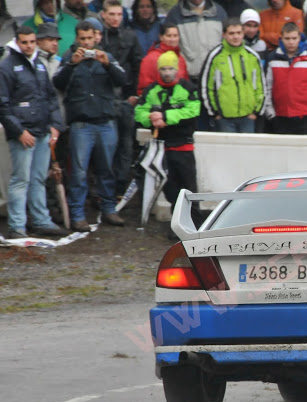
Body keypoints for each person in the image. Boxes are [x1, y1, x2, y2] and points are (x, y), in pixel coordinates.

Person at [53, 21, 126, 232]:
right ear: (77, 39)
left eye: (89, 38)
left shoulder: (107, 57)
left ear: (96, 37)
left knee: (107, 170)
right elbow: (56, 83)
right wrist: (72, 65)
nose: (86, 43)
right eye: (82, 39)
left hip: (106, 122)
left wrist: (107, 65)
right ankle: (77, 215)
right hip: (81, 125)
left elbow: (122, 79)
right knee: (78, 173)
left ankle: (110, 209)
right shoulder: (68, 58)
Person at [0, 26, 65, 239]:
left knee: (38, 178)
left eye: (31, 42)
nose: (29, 46)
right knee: (21, 178)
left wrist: (55, 124)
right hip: (23, 133)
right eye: (24, 42)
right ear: (17, 43)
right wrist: (19, 131)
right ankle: (17, 225)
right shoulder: (7, 66)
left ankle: (40, 220)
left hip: (42, 129)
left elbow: (50, 97)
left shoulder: (38, 64)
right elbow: (3, 105)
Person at [136, 50, 201, 229]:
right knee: (170, 190)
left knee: (189, 188)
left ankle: (194, 226)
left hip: (183, 147)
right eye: (163, 69)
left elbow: (193, 110)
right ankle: (178, 227)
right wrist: (151, 118)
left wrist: (165, 116)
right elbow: (139, 112)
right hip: (162, 150)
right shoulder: (151, 91)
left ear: (177, 69)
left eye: (170, 68)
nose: (166, 73)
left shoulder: (187, 88)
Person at [100, 0, 144, 197]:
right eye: (112, 14)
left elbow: (137, 66)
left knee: (126, 146)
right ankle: (103, 190)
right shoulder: (98, 37)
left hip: (126, 99)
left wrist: (135, 94)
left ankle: (119, 187)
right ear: (103, 15)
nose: (116, 18)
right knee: (107, 146)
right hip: (104, 100)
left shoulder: (130, 35)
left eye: (119, 14)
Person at [200, 17, 266, 133]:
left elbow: (261, 85)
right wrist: (215, 113)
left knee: (247, 150)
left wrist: (256, 112)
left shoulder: (252, 56)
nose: (235, 37)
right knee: (227, 151)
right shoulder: (215, 56)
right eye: (231, 33)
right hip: (224, 118)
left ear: (243, 34)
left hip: (248, 117)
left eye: (238, 33)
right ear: (224, 34)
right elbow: (206, 86)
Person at [265, 22, 307, 134]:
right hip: (280, 117)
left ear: (299, 37)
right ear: (281, 38)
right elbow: (267, 89)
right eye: (287, 38)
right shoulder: (272, 59)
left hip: (306, 117)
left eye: (294, 38)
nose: (291, 42)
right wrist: (270, 114)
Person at [165, 0, 228, 83]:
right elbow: (169, 46)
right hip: (187, 79)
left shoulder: (219, 12)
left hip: (215, 77)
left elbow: (227, 43)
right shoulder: (175, 15)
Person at [137, 23, 190, 95]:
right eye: (169, 36)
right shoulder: (150, 59)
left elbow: (186, 83)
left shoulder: (180, 58)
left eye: (175, 36)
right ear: (161, 37)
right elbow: (144, 87)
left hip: (180, 100)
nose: (172, 39)